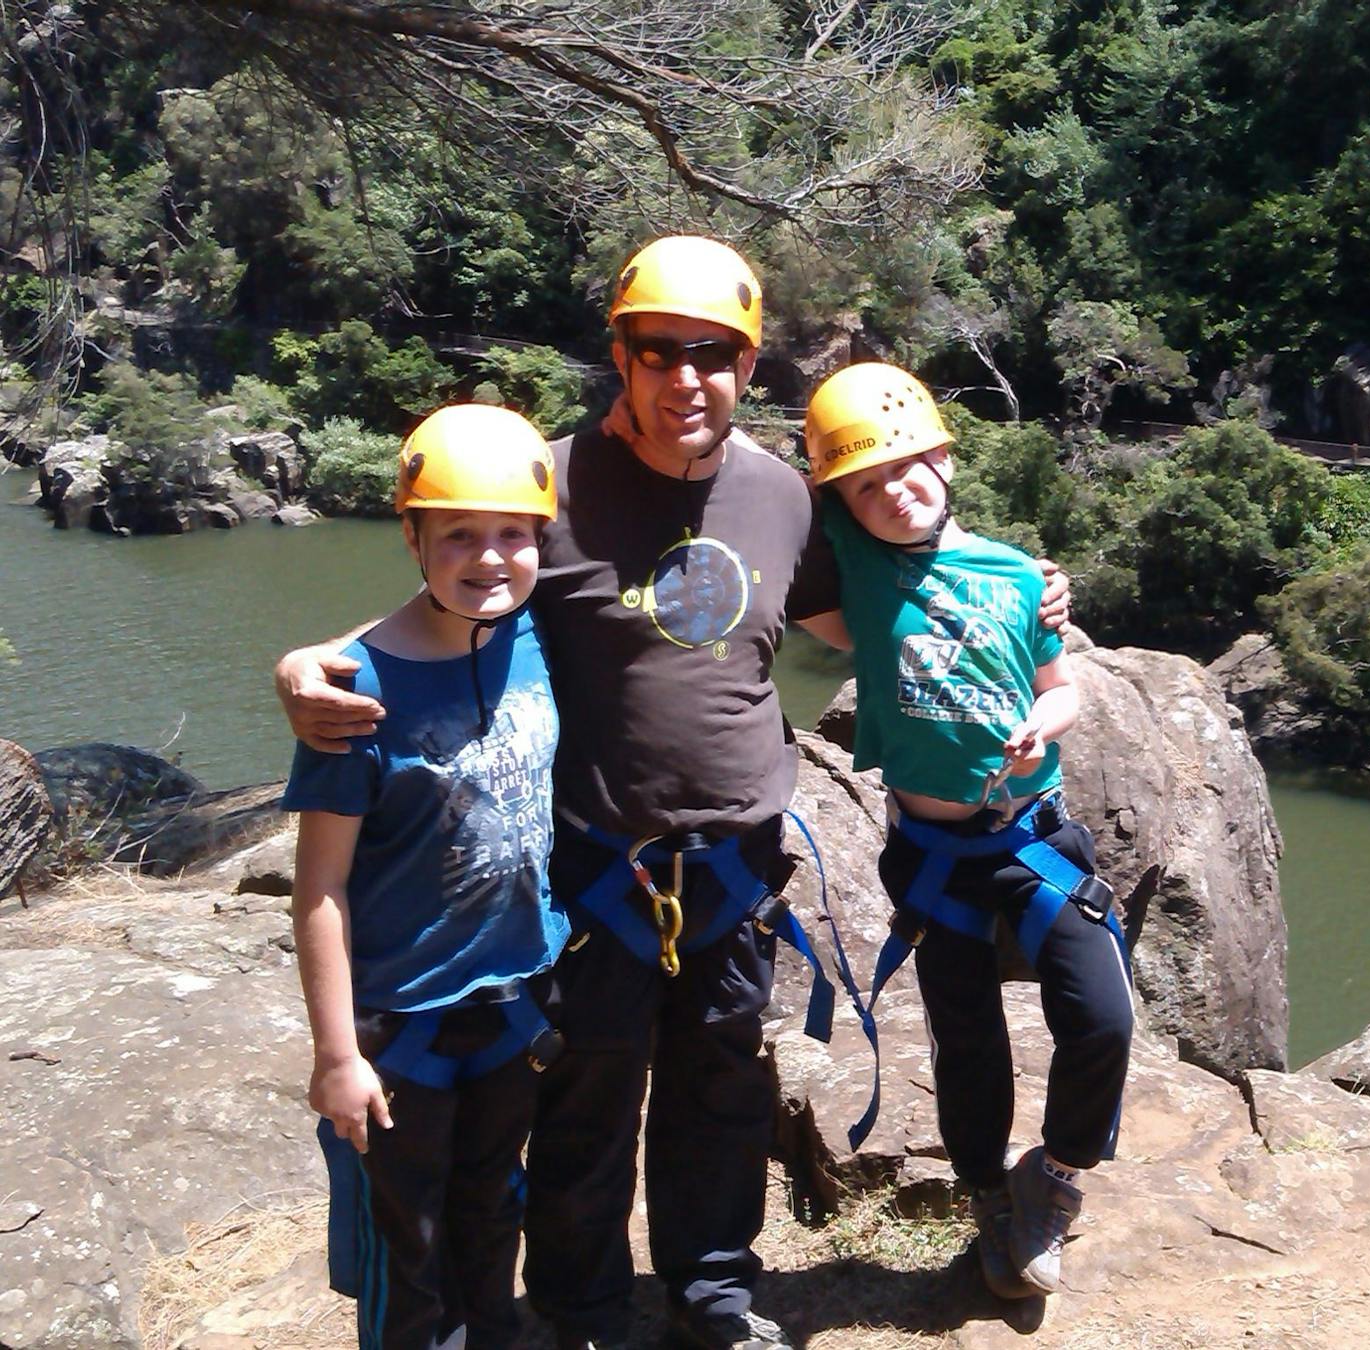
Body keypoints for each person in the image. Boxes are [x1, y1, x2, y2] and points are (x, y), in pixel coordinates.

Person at [276, 236, 1071, 1350]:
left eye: (713, 355)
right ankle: (582, 1307)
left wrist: (1031, 597)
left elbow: (902, 587)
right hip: (602, 863)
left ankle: (712, 1297)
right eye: (659, 352)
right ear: (621, 355)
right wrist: (309, 663)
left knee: (719, 1097)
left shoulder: (786, 498)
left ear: (749, 369)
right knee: (585, 1108)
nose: (685, 378)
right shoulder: (548, 483)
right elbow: (451, 592)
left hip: (737, 864)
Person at [802, 362, 1134, 1301]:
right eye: (864, 485)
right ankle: (990, 1191)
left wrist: (1044, 724)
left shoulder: (1020, 575)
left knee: (1102, 1017)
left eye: (908, 467)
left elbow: (1060, 685)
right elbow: (775, 506)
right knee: (969, 1042)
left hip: (1030, 842)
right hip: (937, 858)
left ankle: (1059, 1175)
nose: (892, 491)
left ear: (946, 457)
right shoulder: (860, 566)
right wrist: (824, 472)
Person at [284, 403, 568, 1350]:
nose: (490, 559)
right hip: (403, 1024)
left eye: (513, 536)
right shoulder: (355, 692)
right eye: (459, 535)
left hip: (514, 1003)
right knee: (414, 1245)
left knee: (493, 1210)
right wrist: (336, 1055)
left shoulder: (535, 639)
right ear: (411, 537)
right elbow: (318, 886)